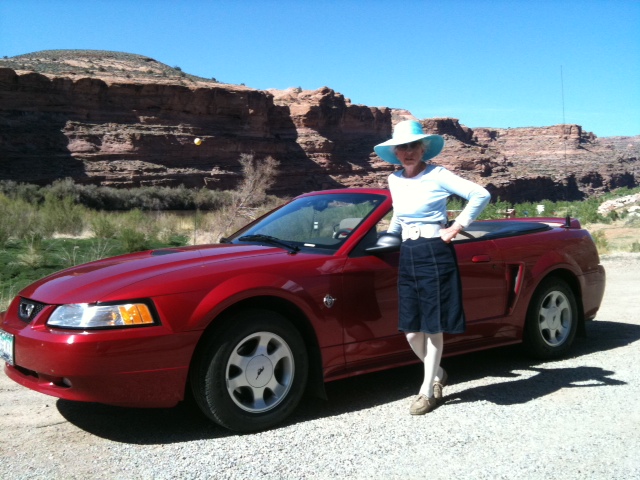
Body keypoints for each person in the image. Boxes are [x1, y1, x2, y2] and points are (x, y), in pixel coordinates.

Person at [374, 120, 490, 415]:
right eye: (402, 147)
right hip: (409, 252)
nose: (408, 152)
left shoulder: (438, 175)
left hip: (435, 252)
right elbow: (399, 213)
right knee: (411, 330)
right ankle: (438, 372)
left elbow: (480, 195)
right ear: (395, 152)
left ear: (423, 148)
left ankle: (428, 391)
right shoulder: (394, 179)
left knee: (432, 325)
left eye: (413, 146)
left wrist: (456, 227)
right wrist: (390, 235)